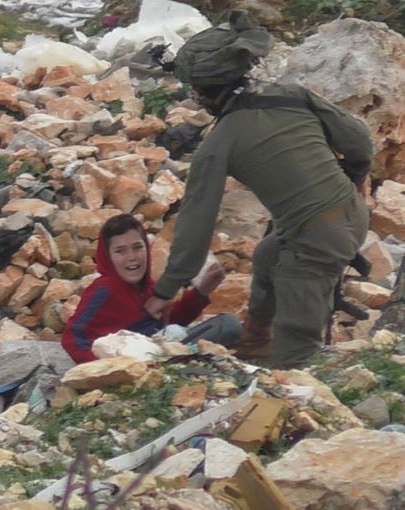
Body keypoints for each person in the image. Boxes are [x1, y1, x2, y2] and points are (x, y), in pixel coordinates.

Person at [143, 10, 373, 369]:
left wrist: (165, 291)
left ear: (206, 91)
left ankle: (298, 383)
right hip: (352, 215)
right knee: (268, 255)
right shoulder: (291, 95)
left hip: (315, 243)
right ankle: (255, 342)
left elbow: (195, 225)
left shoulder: (219, 142)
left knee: (298, 349)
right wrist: (352, 178)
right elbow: (360, 142)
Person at [62, 214, 238, 363]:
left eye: (137, 247)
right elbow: (72, 336)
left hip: (161, 352)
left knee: (227, 323)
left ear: (147, 248)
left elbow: (169, 323)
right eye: (120, 251)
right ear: (107, 257)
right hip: (134, 364)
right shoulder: (104, 289)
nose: (132, 257)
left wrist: (202, 291)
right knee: (228, 327)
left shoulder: (147, 286)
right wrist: (101, 366)